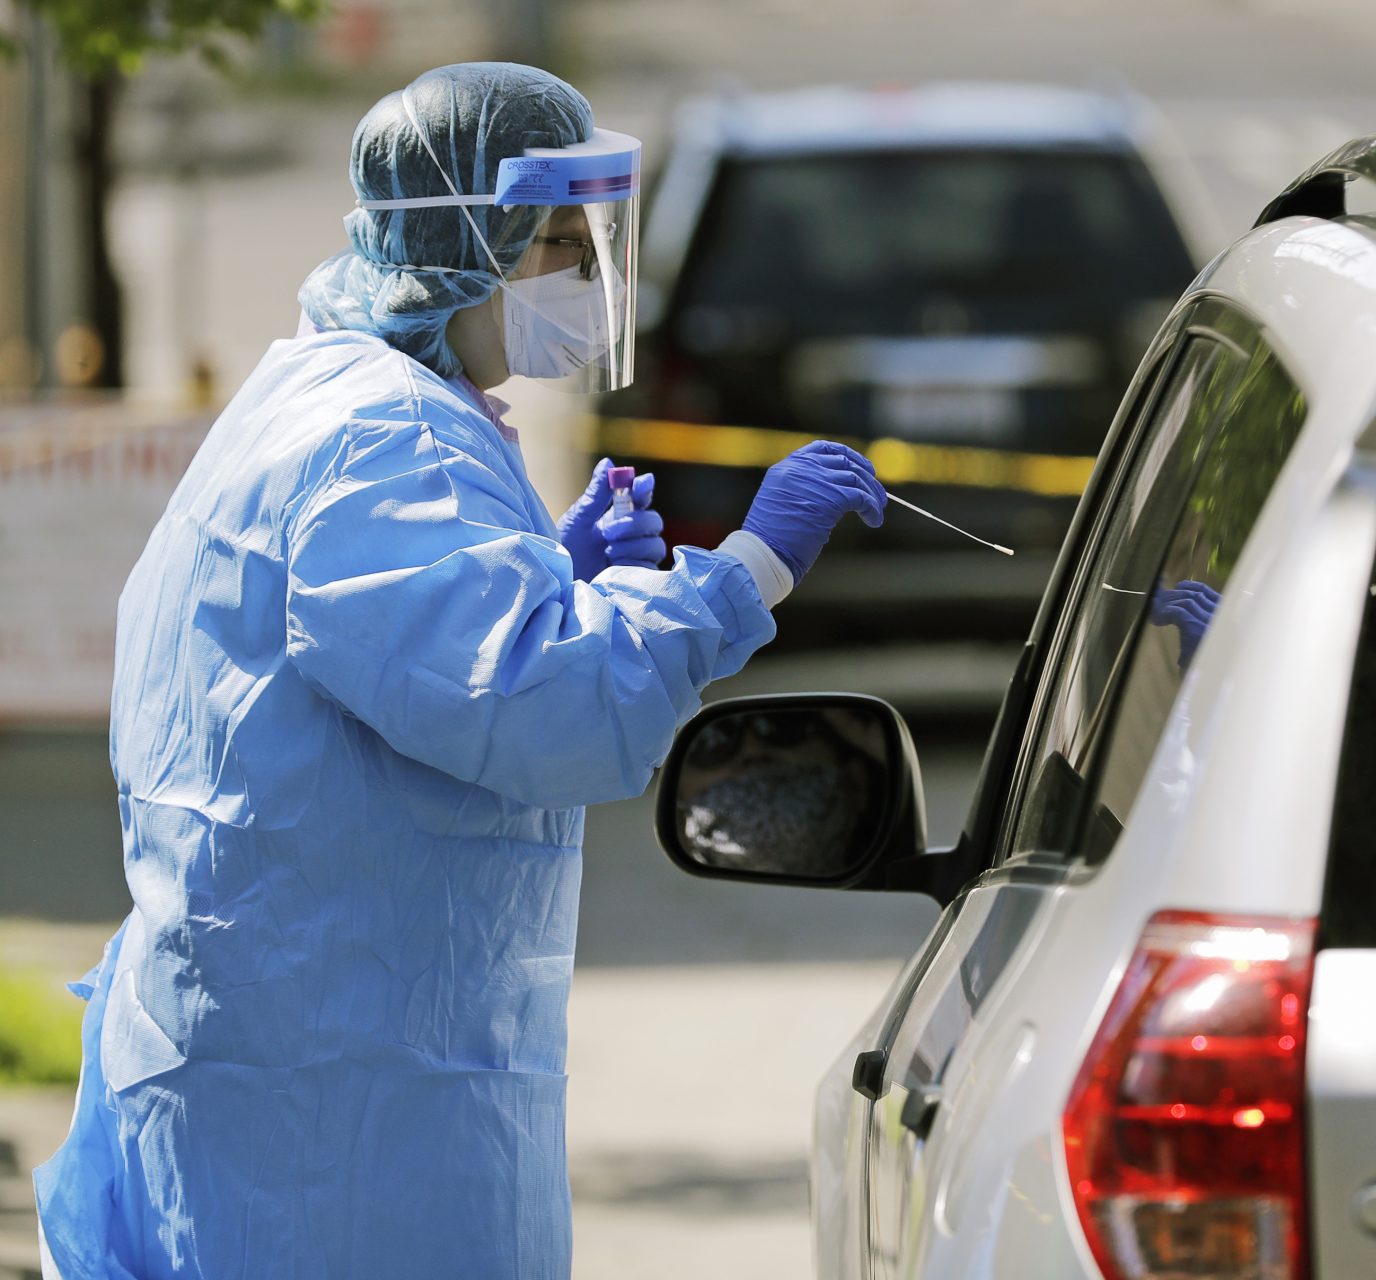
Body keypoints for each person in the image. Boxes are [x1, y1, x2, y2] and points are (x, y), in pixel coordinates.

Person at [32, 62, 885, 1280]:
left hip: (296, 1079)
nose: (587, 280)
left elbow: (421, 659)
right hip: (336, 1124)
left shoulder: (337, 397)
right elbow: (555, 710)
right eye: (556, 244)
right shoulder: (391, 440)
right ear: (462, 243)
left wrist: (544, 570)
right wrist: (746, 571)